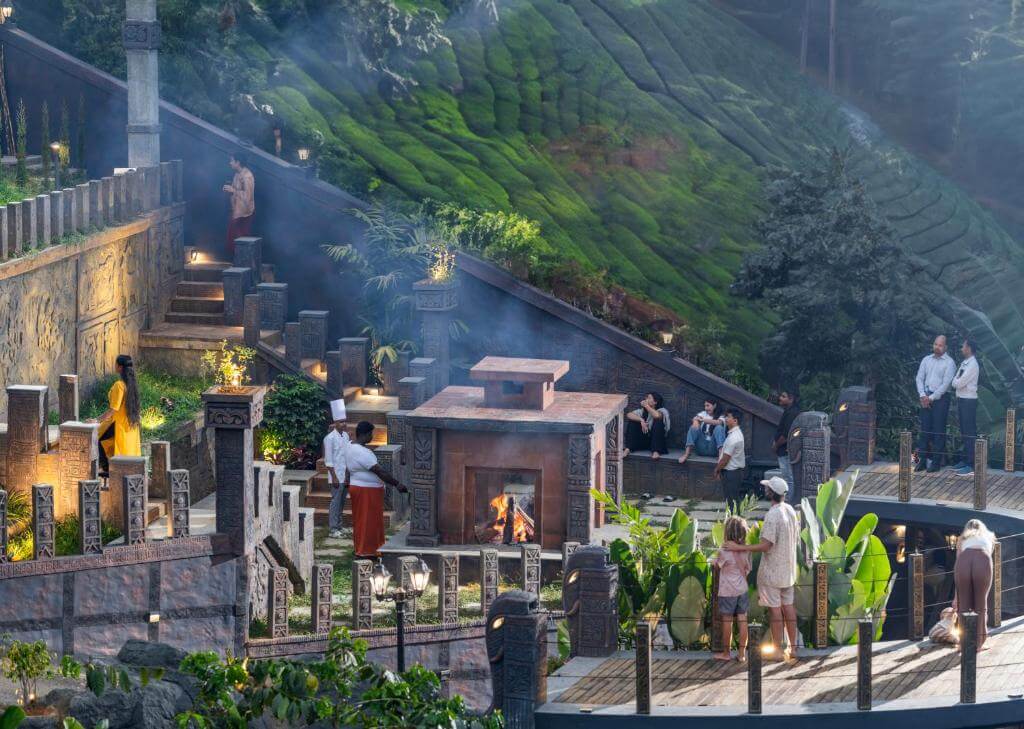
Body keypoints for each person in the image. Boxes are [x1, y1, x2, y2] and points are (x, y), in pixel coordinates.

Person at [725, 476, 800, 663]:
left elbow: (766, 546)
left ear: (770, 493)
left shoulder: (772, 515)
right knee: (788, 607)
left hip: (773, 571)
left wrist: (739, 548)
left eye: (767, 488)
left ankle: (777, 650)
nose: (765, 490)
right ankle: (794, 648)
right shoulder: (790, 510)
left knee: (775, 610)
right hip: (789, 569)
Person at [347, 421, 408, 558]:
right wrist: (397, 484)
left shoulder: (350, 446)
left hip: (363, 489)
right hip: (366, 491)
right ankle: (365, 551)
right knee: (367, 522)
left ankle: (372, 548)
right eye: (371, 434)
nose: (372, 436)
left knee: (370, 521)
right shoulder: (361, 452)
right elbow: (380, 471)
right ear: (365, 434)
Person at [89, 354, 142, 478]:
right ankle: (112, 468)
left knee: (97, 438)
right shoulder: (132, 384)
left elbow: (113, 409)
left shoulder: (119, 385)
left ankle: (107, 469)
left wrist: (96, 420)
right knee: (110, 444)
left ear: (119, 367)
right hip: (129, 424)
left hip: (118, 424)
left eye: (116, 364)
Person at [712, 516, 751, 662]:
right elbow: (748, 568)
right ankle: (741, 654)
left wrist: (715, 560)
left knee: (727, 621)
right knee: (743, 620)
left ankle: (726, 653)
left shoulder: (724, 550)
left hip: (727, 591)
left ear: (727, 533)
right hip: (743, 590)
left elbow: (717, 565)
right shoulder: (746, 550)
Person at [915, 335, 956, 472]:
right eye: (935, 344)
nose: (937, 347)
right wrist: (922, 395)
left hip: (941, 400)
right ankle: (922, 461)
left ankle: (936, 463)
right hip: (925, 397)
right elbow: (919, 378)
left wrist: (930, 398)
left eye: (940, 345)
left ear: (945, 347)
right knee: (925, 430)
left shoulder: (950, 363)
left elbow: (945, 385)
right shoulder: (926, 360)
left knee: (939, 431)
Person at [954, 518, 995, 652]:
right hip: (983, 560)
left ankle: (962, 644)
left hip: (964, 560)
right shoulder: (990, 536)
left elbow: (958, 559)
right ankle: (979, 644)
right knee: (981, 605)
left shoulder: (962, 538)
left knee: (963, 605)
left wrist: (956, 596)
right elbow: (989, 553)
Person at [951, 339, 980, 476]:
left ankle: (971, 465)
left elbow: (959, 382)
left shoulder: (973, 364)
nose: (961, 348)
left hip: (969, 401)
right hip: (961, 399)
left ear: (969, 348)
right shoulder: (964, 363)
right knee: (964, 431)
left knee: (969, 432)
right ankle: (966, 460)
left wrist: (956, 382)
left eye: (963, 346)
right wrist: (956, 382)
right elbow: (955, 381)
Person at [323, 399, 350, 540]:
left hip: (344, 475)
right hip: (335, 475)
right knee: (335, 502)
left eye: (344, 421)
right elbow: (328, 461)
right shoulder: (329, 438)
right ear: (335, 423)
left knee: (342, 502)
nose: (343, 424)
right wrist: (334, 477)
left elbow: (346, 456)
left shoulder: (346, 436)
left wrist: (346, 475)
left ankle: (339, 525)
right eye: (340, 421)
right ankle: (333, 529)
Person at [222, 152, 255, 258]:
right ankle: (237, 263)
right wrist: (229, 190)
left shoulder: (247, 176)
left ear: (238, 162)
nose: (230, 163)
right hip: (236, 212)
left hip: (244, 214)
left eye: (232, 161)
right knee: (232, 241)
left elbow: (248, 197)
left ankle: (242, 264)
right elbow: (235, 190)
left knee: (240, 242)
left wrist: (233, 190)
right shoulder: (237, 174)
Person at [623, 392, 670, 460]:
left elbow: (656, 416)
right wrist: (641, 420)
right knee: (633, 421)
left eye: (649, 398)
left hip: (658, 442)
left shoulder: (663, 411)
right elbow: (629, 415)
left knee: (658, 422)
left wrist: (646, 406)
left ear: (655, 402)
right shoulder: (642, 411)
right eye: (646, 398)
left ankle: (656, 452)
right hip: (644, 441)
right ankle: (628, 449)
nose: (646, 399)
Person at [678, 398, 726, 464]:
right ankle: (686, 454)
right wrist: (695, 421)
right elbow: (695, 419)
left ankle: (721, 456)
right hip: (701, 448)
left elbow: (719, 422)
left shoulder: (722, 415)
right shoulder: (703, 413)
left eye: (708, 405)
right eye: (705, 406)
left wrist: (703, 420)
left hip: (714, 448)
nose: (706, 408)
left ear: (714, 405)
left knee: (719, 428)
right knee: (693, 427)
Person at [714, 409, 746, 507]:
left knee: (732, 502)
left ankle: (735, 521)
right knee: (732, 500)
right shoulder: (734, 434)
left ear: (735, 421)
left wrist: (716, 469)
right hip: (733, 472)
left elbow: (725, 458)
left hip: (732, 473)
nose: (726, 419)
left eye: (728, 417)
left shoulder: (734, 437)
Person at [773, 390, 799, 488]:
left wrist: (776, 445)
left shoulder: (792, 413)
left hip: (786, 450)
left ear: (791, 399)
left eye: (783, 396)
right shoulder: (788, 411)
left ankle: (789, 500)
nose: (780, 398)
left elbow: (787, 434)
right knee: (788, 477)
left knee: (788, 478)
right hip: (785, 450)